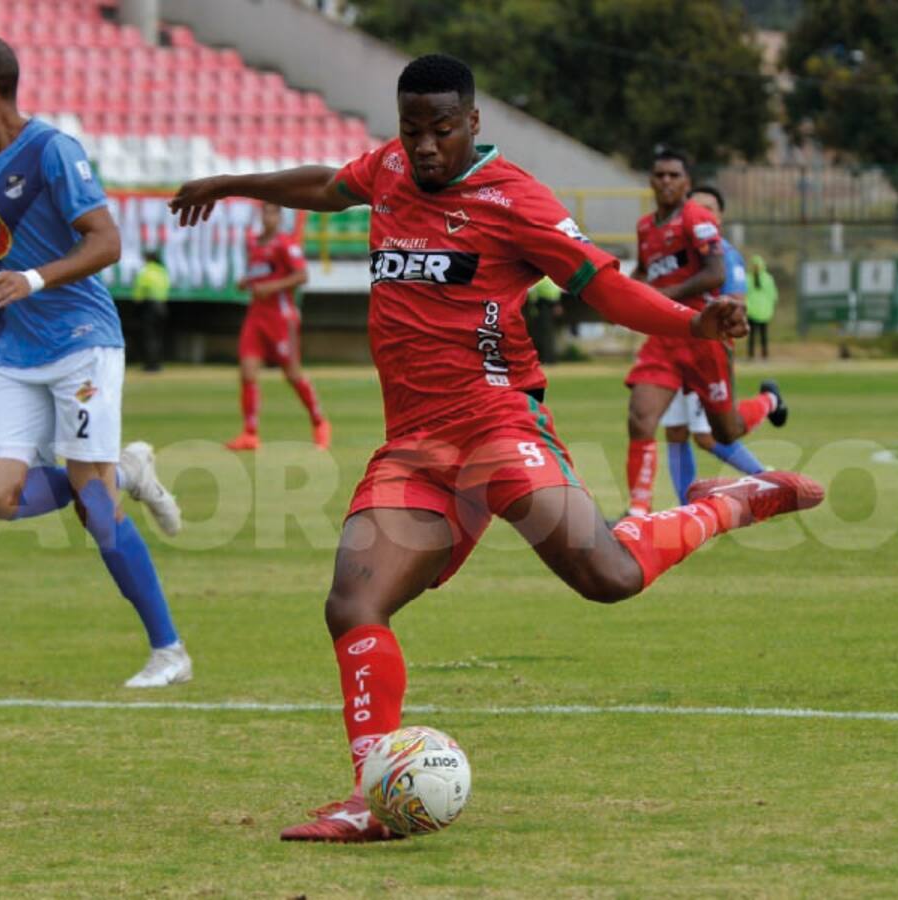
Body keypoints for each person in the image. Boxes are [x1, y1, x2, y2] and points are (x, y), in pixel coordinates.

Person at [170, 54, 824, 843]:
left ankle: (730, 502)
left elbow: (603, 286)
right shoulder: (388, 169)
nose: (424, 146)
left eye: (441, 129)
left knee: (609, 578)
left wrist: (690, 322)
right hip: (415, 448)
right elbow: (326, 185)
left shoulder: (515, 199)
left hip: (496, 427)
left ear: (472, 122)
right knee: (353, 603)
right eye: (412, 130)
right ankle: (373, 794)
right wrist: (231, 184)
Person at [0, 34, 191, 688]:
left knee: (97, 511)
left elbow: (106, 242)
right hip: (18, 350)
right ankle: (124, 469)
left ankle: (169, 652)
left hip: (83, 341)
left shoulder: (54, 150)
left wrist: (31, 279)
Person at [623, 149, 787, 518]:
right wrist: (617, 292)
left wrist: (664, 296)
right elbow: (645, 274)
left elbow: (715, 273)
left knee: (722, 432)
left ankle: (768, 403)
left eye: (673, 175)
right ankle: (638, 514)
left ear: (687, 182)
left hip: (702, 337)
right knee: (642, 418)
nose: (666, 181)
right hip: (663, 338)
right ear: (651, 180)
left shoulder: (696, 219)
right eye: (660, 174)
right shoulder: (646, 227)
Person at [660, 186, 767, 504]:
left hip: (704, 353)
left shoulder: (725, 255)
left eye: (709, 209)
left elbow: (736, 303)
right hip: (672, 350)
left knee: (708, 434)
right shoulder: (679, 255)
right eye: (695, 209)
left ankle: (765, 479)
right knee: (675, 431)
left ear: (719, 217)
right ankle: (686, 507)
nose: (701, 215)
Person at [226, 201, 329, 451]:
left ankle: (319, 422)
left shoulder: (285, 244)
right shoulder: (253, 242)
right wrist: (247, 281)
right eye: (265, 212)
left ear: (280, 217)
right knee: (247, 372)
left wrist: (272, 287)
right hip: (256, 316)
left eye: (272, 213)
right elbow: (260, 273)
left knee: (292, 374)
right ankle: (250, 433)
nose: (268, 217)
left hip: (281, 317)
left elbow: (302, 275)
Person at [132, 249, 169, 372]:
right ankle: (158, 364)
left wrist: (137, 300)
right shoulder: (162, 271)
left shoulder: (146, 270)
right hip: (162, 306)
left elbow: (141, 288)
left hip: (149, 306)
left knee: (149, 336)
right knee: (159, 336)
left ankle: (150, 365)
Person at [526, 274, 563, 364]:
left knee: (543, 335)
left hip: (542, 307)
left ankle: (546, 358)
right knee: (546, 334)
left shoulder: (538, 278)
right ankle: (547, 358)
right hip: (543, 306)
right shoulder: (551, 277)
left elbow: (532, 294)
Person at [746, 254, 777, 360]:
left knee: (764, 334)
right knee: (752, 334)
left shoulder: (767, 279)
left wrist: (770, 306)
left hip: (764, 310)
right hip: (751, 310)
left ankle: (764, 354)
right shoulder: (748, 278)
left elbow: (773, 294)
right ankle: (751, 355)